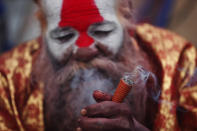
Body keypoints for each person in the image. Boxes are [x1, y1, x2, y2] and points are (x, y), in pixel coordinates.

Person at [0, 0, 196, 130]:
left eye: (101, 32)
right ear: (43, 34)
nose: (85, 50)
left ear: (127, 24)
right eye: (64, 36)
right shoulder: (8, 79)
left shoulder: (180, 62)